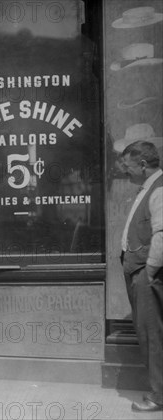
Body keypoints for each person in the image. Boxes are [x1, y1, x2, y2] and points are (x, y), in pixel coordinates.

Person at [119, 141, 162, 412]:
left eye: (128, 164)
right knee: (151, 334)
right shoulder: (148, 188)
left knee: (152, 336)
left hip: (147, 274)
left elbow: (162, 234)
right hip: (141, 271)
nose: (124, 169)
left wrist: (150, 270)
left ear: (143, 164)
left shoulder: (158, 190)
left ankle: (158, 396)